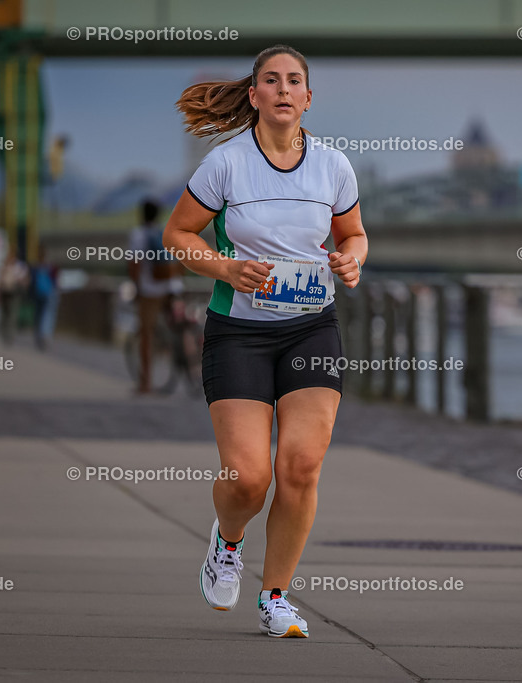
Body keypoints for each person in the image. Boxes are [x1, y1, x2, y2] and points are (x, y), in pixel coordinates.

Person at [165, 45, 367, 638]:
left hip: (311, 327)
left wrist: (351, 261)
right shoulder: (225, 165)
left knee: (300, 466)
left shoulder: (333, 166)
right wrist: (225, 269)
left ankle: (275, 595)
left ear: (308, 98)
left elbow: (353, 234)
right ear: (253, 95)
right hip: (240, 334)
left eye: (294, 81)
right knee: (249, 478)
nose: (283, 89)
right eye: (271, 81)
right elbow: (178, 233)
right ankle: (227, 544)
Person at [128, 199, 184, 393]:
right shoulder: (165, 232)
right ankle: (191, 364)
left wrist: (136, 287)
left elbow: (135, 264)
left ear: (141, 214)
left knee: (146, 335)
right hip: (171, 287)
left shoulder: (139, 234)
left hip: (150, 291)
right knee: (179, 327)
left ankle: (146, 382)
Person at [30, 246, 59, 350]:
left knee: (38, 315)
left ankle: (39, 336)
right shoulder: (50, 266)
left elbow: (31, 281)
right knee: (47, 315)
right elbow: (56, 280)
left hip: (38, 293)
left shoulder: (36, 266)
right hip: (48, 293)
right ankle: (45, 335)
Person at [0, 250, 29, 346]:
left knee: (12, 315)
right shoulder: (4, 266)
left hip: (15, 292)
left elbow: (25, 280)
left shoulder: (19, 266)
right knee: (5, 314)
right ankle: (5, 334)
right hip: (5, 292)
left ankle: (10, 336)